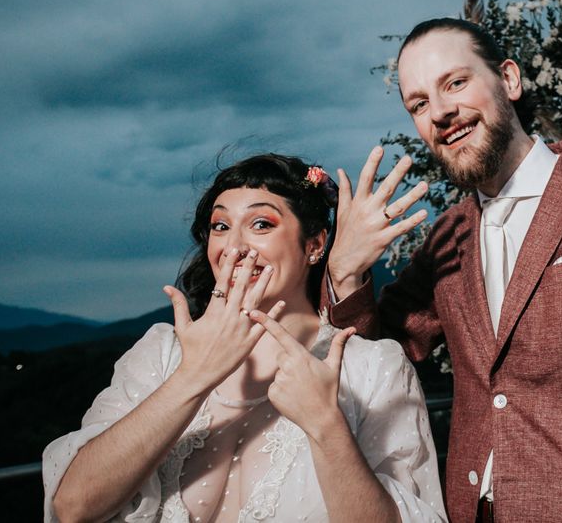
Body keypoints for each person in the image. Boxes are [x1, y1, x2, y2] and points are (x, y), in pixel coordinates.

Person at [323, 19, 562, 522]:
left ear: (509, 79)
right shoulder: (448, 236)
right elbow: (373, 357)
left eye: (456, 83)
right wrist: (345, 270)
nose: (440, 112)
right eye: (418, 104)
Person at [42, 154, 447, 523]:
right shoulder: (161, 353)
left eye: (261, 224)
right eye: (220, 226)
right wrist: (192, 376)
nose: (234, 246)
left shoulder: (370, 367)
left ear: (315, 244)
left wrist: (327, 427)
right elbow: (72, 507)